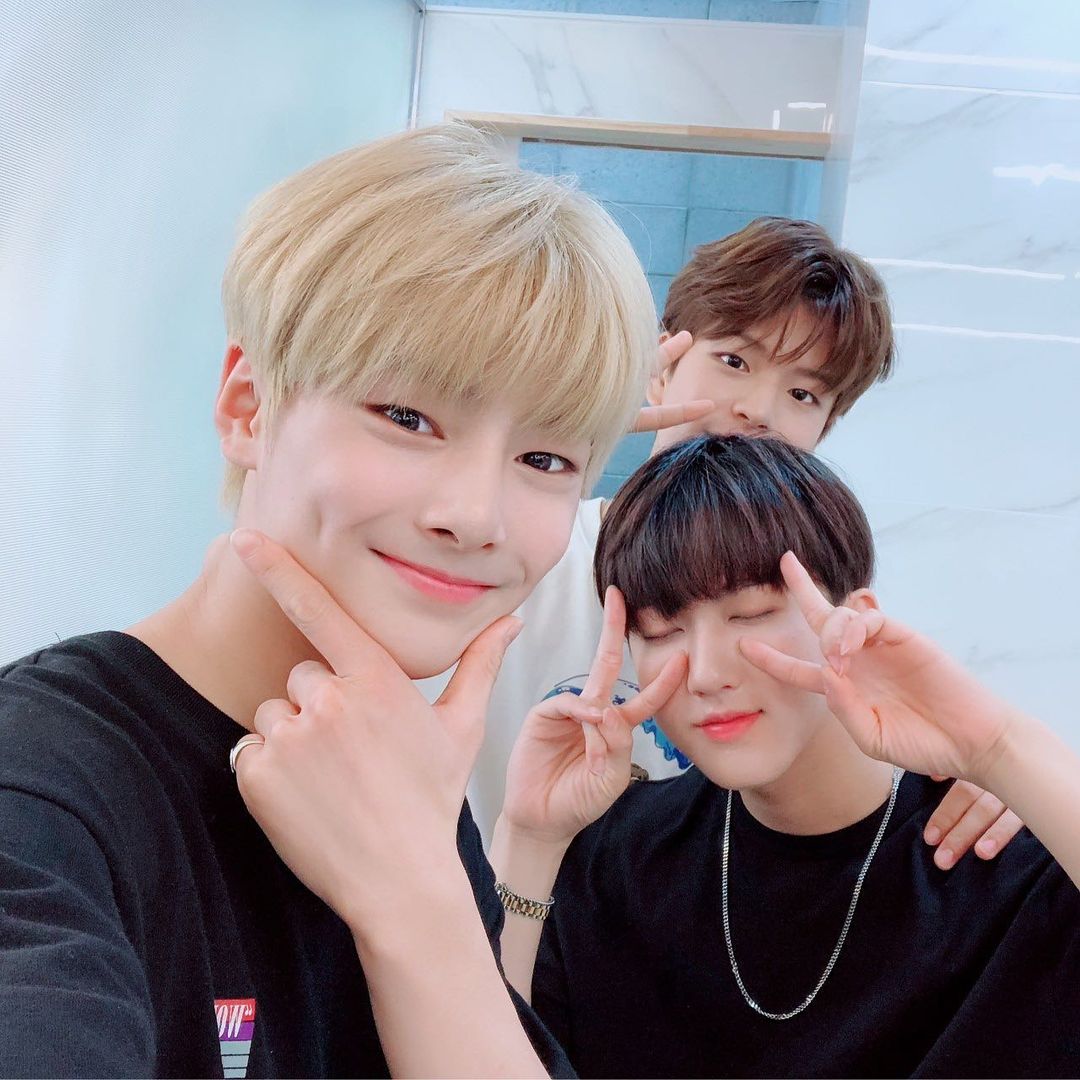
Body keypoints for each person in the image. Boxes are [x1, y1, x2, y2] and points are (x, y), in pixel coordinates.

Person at [0, 122, 676, 1077]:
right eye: (407, 417)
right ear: (249, 408)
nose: (474, 515)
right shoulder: (41, 793)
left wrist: (420, 896)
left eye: (544, 458)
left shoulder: (401, 777)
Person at [424, 216, 1024, 868]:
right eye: (734, 361)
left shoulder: (820, 626)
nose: (757, 410)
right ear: (660, 368)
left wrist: (994, 778)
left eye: (802, 393)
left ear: (823, 432)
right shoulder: (531, 557)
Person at [494, 434, 1080, 1077]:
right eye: (661, 630)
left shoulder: (1004, 859)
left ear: (857, 620)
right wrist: (529, 840)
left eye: (751, 613)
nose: (706, 673)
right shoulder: (612, 858)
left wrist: (998, 750)